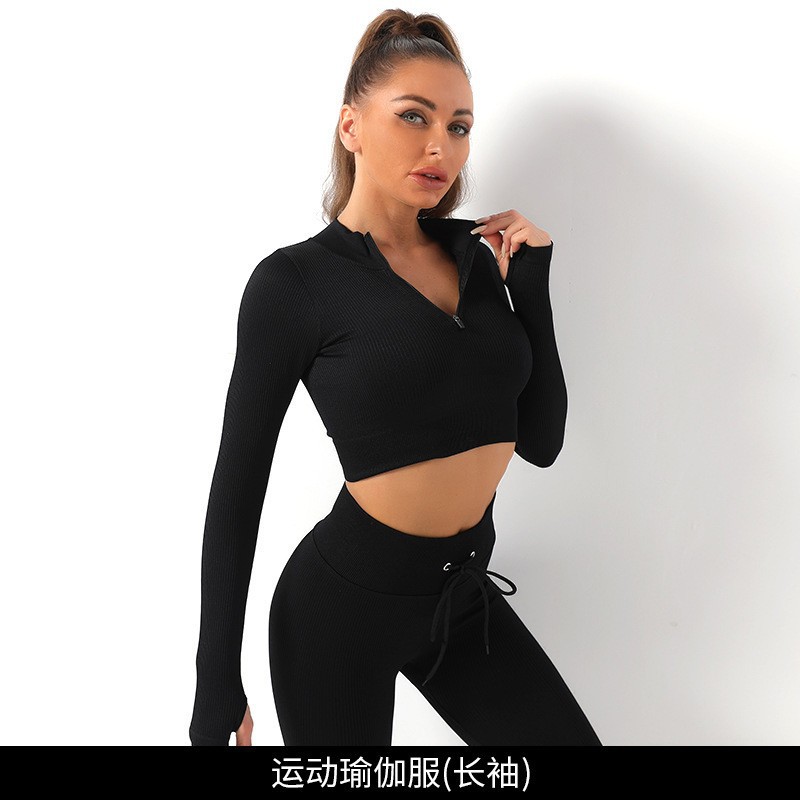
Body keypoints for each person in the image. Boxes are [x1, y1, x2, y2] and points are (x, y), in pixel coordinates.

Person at [189, 9, 602, 747]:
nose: (441, 145)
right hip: (338, 615)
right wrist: (215, 680)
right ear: (351, 125)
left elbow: (540, 442)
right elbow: (237, 489)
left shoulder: (477, 258)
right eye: (414, 116)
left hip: (461, 599)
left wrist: (532, 289)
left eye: (459, 126)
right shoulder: (294, 285)